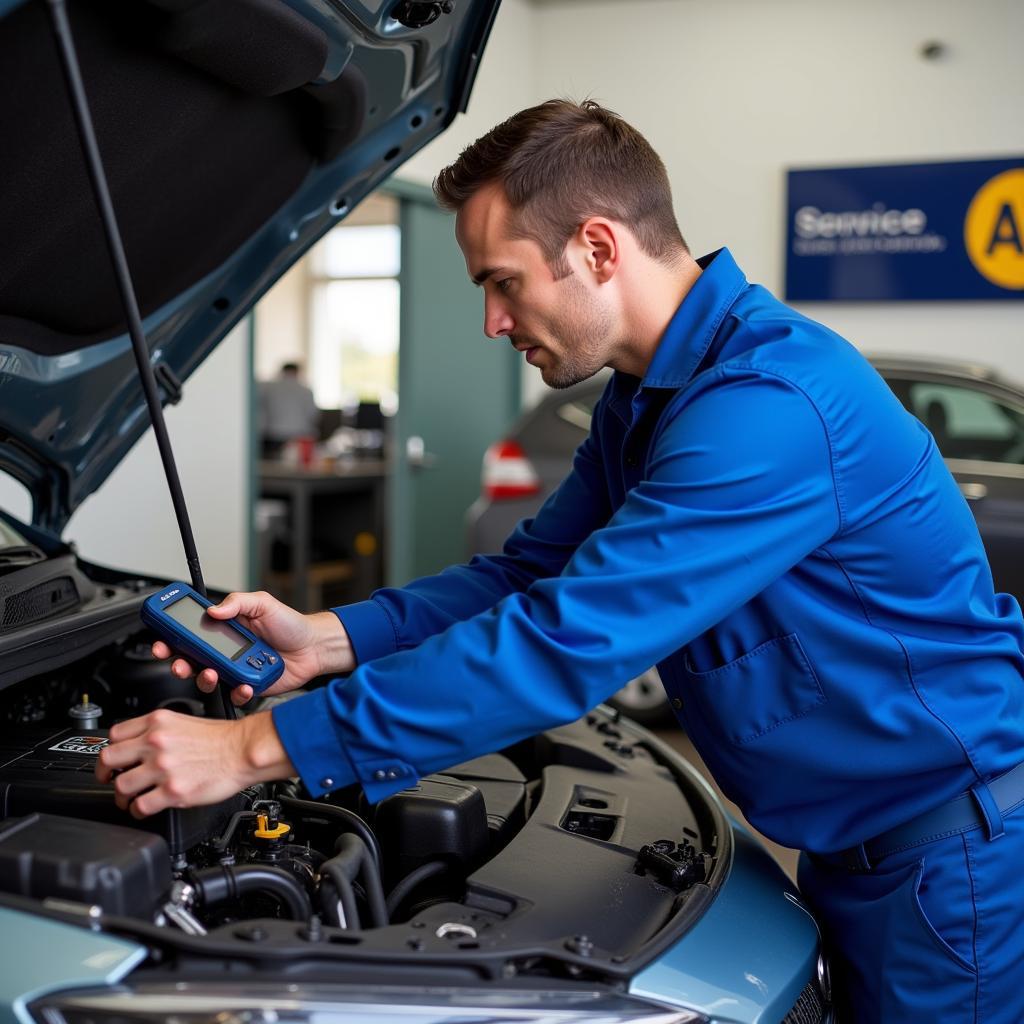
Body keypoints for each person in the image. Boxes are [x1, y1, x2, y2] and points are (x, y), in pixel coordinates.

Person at [97, 100, 1024, 1021]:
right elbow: (525, 575)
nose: (495, 323)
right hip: (862, 852)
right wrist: (329, 637)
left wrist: (254, 748)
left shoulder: (768, 406)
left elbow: (565, 643)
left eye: (503, 283)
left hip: (950, 869)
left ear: (597, 248)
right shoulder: (645, 402)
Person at [258, 361, 321, 459]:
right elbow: (313, 415)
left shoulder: (268, 388)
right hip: (301, 437)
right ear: (297, 372)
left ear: (282, 372)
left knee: (274, 468)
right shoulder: (306, 391)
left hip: (274, 436)